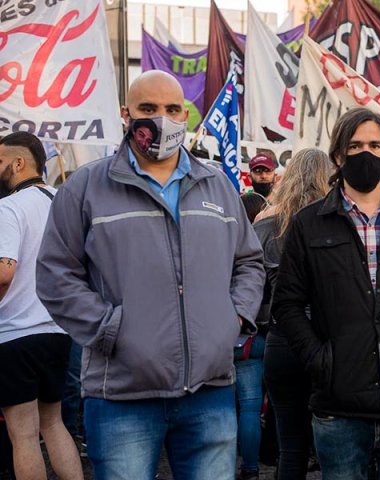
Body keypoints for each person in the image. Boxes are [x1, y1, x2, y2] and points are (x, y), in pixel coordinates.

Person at [36, 70, 266, 480]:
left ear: (185, 115)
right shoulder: (87, 187)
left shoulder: (217, 186)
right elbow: (56, 274)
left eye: (173, 109)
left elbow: (249, 261)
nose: (161, 119)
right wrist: (110, 329)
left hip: (209, 392)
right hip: (121, 395)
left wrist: (232, 319)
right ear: (127, 114)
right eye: (149, 109)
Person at [272, 107, 380, 479]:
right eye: (355, 145)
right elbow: (287, 304)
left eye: (374, 144)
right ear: (338, 155)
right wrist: (320, 360)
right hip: (339, 407)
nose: (365, 153)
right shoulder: (309, 224)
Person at [0, 132, 83, 480]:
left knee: (22, 435)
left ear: (19, 163)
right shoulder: (62, 201)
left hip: (16, 333)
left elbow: (4, 272)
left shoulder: (8, 207)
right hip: (59, 331)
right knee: (53, 423)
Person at [254, 148, 334, 479]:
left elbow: (251, 283)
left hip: (281, 339)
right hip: (327, 340)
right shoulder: (334, 219)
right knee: (337, 445)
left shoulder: (265, 221)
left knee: (291, 447)